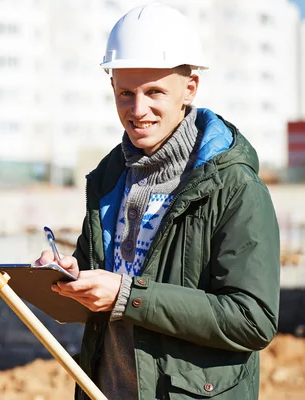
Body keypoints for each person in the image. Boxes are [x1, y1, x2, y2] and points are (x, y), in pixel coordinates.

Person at [36, 3, 280, 399]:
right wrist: (69, 276)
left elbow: (252, 320)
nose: (137, 110)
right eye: (125, 93)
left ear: (190, 88)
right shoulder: (109, 179)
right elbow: (101, 286)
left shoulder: (234, 187)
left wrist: (128, 295)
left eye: (154, 92)